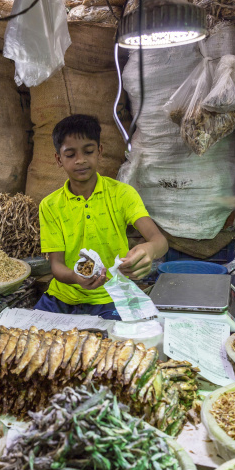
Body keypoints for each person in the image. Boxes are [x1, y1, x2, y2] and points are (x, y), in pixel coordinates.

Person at [35, 114, 168, 320]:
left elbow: (159, 241)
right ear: (58, 159)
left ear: (99, 151)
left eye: (88, 151)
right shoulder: (50, 205)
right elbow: (57, 267)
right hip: (62, 298)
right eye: (70, 154)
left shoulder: (122, 194)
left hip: (113, 296)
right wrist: (75, 277)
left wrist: (148, 249)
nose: (80, 160)